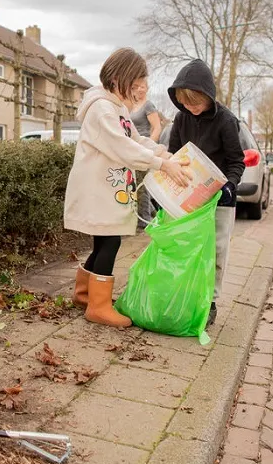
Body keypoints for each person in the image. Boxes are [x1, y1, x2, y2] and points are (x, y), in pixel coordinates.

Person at [65, 48, 192, 328]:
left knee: (104, 241)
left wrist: (162, 154)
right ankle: (98, 306)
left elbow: (135, 140)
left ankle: (85, 294)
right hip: (98, 189)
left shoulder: (116, 108)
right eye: (134, 83)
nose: (137, 90)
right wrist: (160, 164)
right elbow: (122, 147)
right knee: (110, 240)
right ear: (120, 77)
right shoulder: (101, 109)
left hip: (108, 188)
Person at [167, 59, 245, 326]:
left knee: (217, 250)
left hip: (220, 198)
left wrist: (230, 186)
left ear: (208, 96)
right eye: (185, 103)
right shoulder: (181, 118)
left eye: (196, 103)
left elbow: (237, 161)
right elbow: (173, 156)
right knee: (187, 247)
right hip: (189, 195)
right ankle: (187, 293)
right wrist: (167, 194)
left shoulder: (226, 121)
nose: (191, 108)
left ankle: (209, 301)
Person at [129, 80, 162, 227]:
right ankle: (154, 215)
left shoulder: (148, 106)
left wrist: (149, 149)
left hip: (143, 148)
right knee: (134, 184)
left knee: (142, 186)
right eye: (136, 87)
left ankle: (145, 221)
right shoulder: (130, 106)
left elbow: (157, 128)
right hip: (130, 149)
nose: (140, 90)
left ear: (147, 88)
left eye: (143, 87)